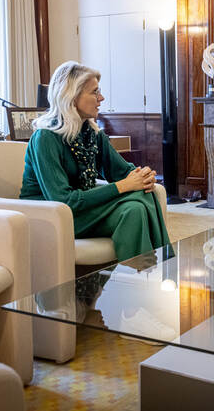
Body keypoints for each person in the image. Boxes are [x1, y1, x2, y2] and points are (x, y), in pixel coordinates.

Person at [20, 61, 170, 261]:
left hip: (81, 210)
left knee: (138, 204)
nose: (101, 98)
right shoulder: (45, 138)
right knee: (135, 207)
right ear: (71, 96)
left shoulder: (92, 133)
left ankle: (146, 273)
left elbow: (121, 171)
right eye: (94, 92)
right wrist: (123, 186)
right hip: (50, 216)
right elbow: (64, 200)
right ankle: (156, 268)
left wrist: (142, 176)